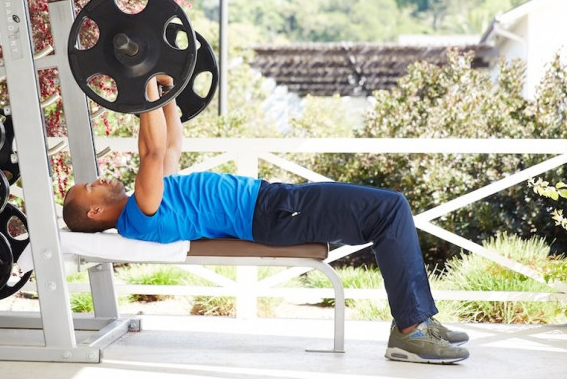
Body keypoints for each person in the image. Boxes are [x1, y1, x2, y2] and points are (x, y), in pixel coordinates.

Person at [63, 75, 470, 364]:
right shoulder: (140, 213)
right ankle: (411, 330)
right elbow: (151, 153)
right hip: (276, 213)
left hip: (276, 205)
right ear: (96, 211)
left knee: (384, 217)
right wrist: (144, 83)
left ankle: (416, 322)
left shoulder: (150, 197)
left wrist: (168, 92)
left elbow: (170, 144)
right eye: (89, 186)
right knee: (390, 208)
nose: (98, 178)